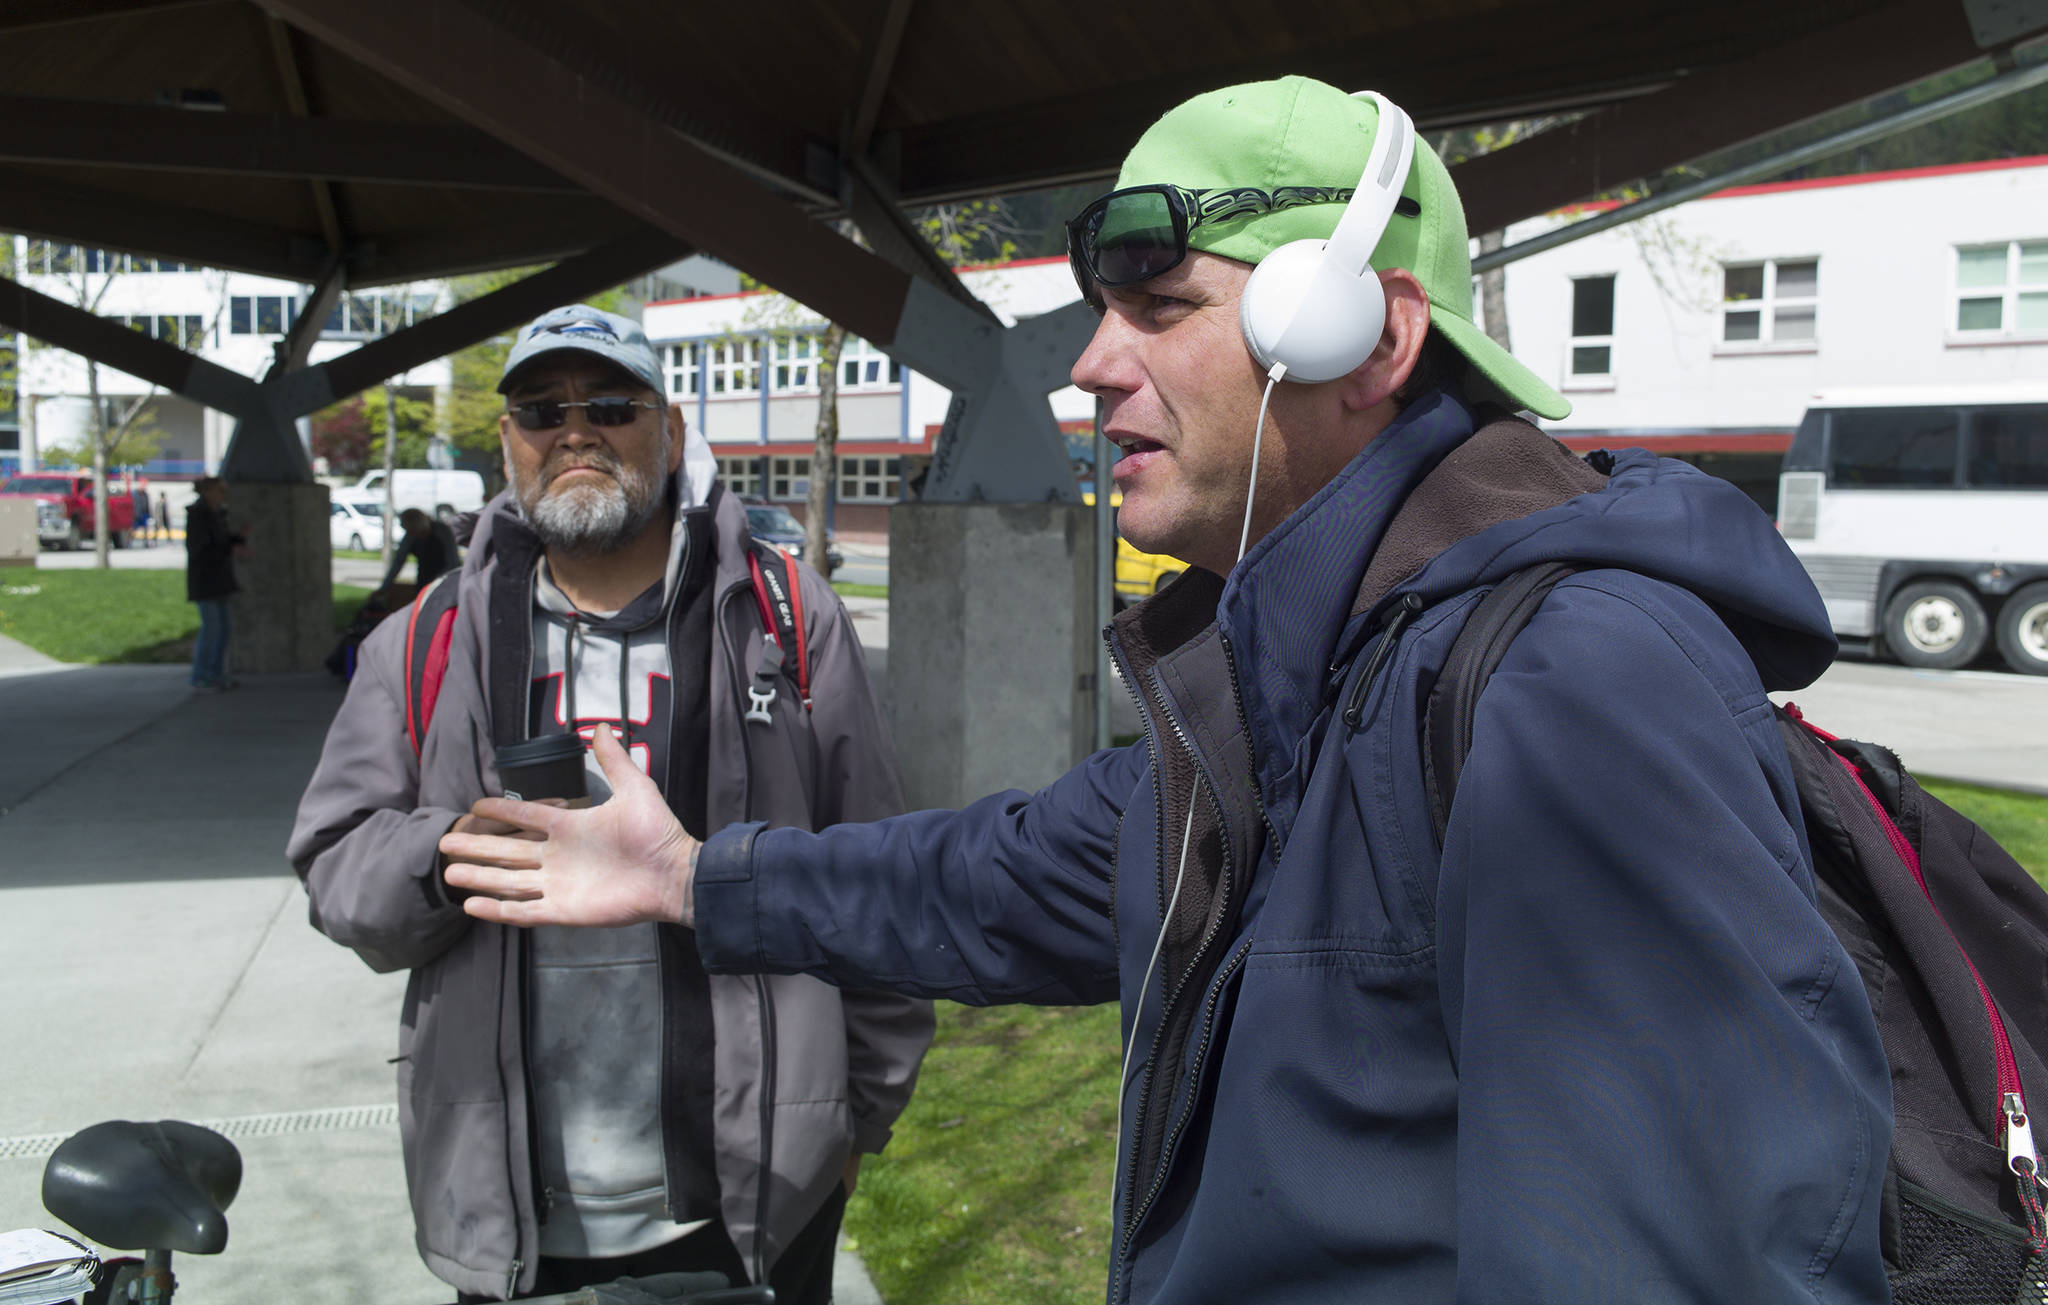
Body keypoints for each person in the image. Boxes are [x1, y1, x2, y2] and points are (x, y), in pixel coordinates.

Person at [441, 81, 1894, 1302]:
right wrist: (693, 878)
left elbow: (1692, 1259)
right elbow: (996, 877)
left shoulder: (1571, 682)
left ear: (1367, 338)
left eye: (1159, 306)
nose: (1089, 365)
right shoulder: (1292, 677)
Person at [287, 304, 931, 1304]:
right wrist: (449, 855)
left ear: (669, 431)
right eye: (542, 410)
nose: (575, 432)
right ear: (507, 442)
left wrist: (858, 1119)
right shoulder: (424, 639)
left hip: (758, 1197)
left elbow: (876, 874)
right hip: (509, 1211)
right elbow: (337, 866)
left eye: (611, 406)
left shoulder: (782, 619)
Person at [185, 476, 244, 692]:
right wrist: (227, 547)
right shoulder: (199, 515)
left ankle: (216, 673)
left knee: (223, 630)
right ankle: (201, 676)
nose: (224, 496)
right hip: (206, 581)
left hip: (220, 580)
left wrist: (236, 540)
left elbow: (221, 540)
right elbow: (202, 548)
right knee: (211, 629)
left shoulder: (217, 514)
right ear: (208, 492)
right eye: (221, 491)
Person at [374, 505, 459, 600]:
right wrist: (384, 588)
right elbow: (398, 561)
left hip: (445, 581)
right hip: (423, 578)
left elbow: (453, 562)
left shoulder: (442, 532)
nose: (412, 535)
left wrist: (437, 582)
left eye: (413, 531)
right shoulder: (410, 536)